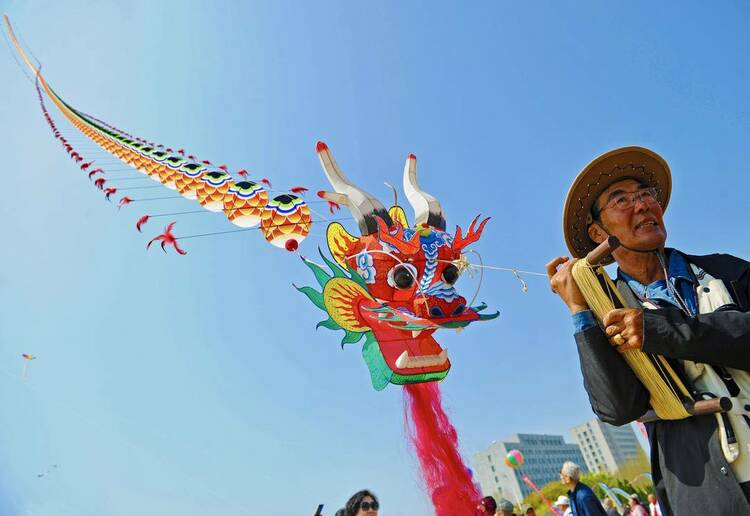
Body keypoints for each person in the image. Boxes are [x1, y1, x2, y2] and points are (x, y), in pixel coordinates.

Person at [547, 146, 750, 514]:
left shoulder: (727, 271)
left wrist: (659, 330)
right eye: (621, 199)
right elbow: (619, 407)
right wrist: (580, 312)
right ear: (597, 232)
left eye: (645, 194)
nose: (641, 205)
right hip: (702, 492)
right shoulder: (608, 312)